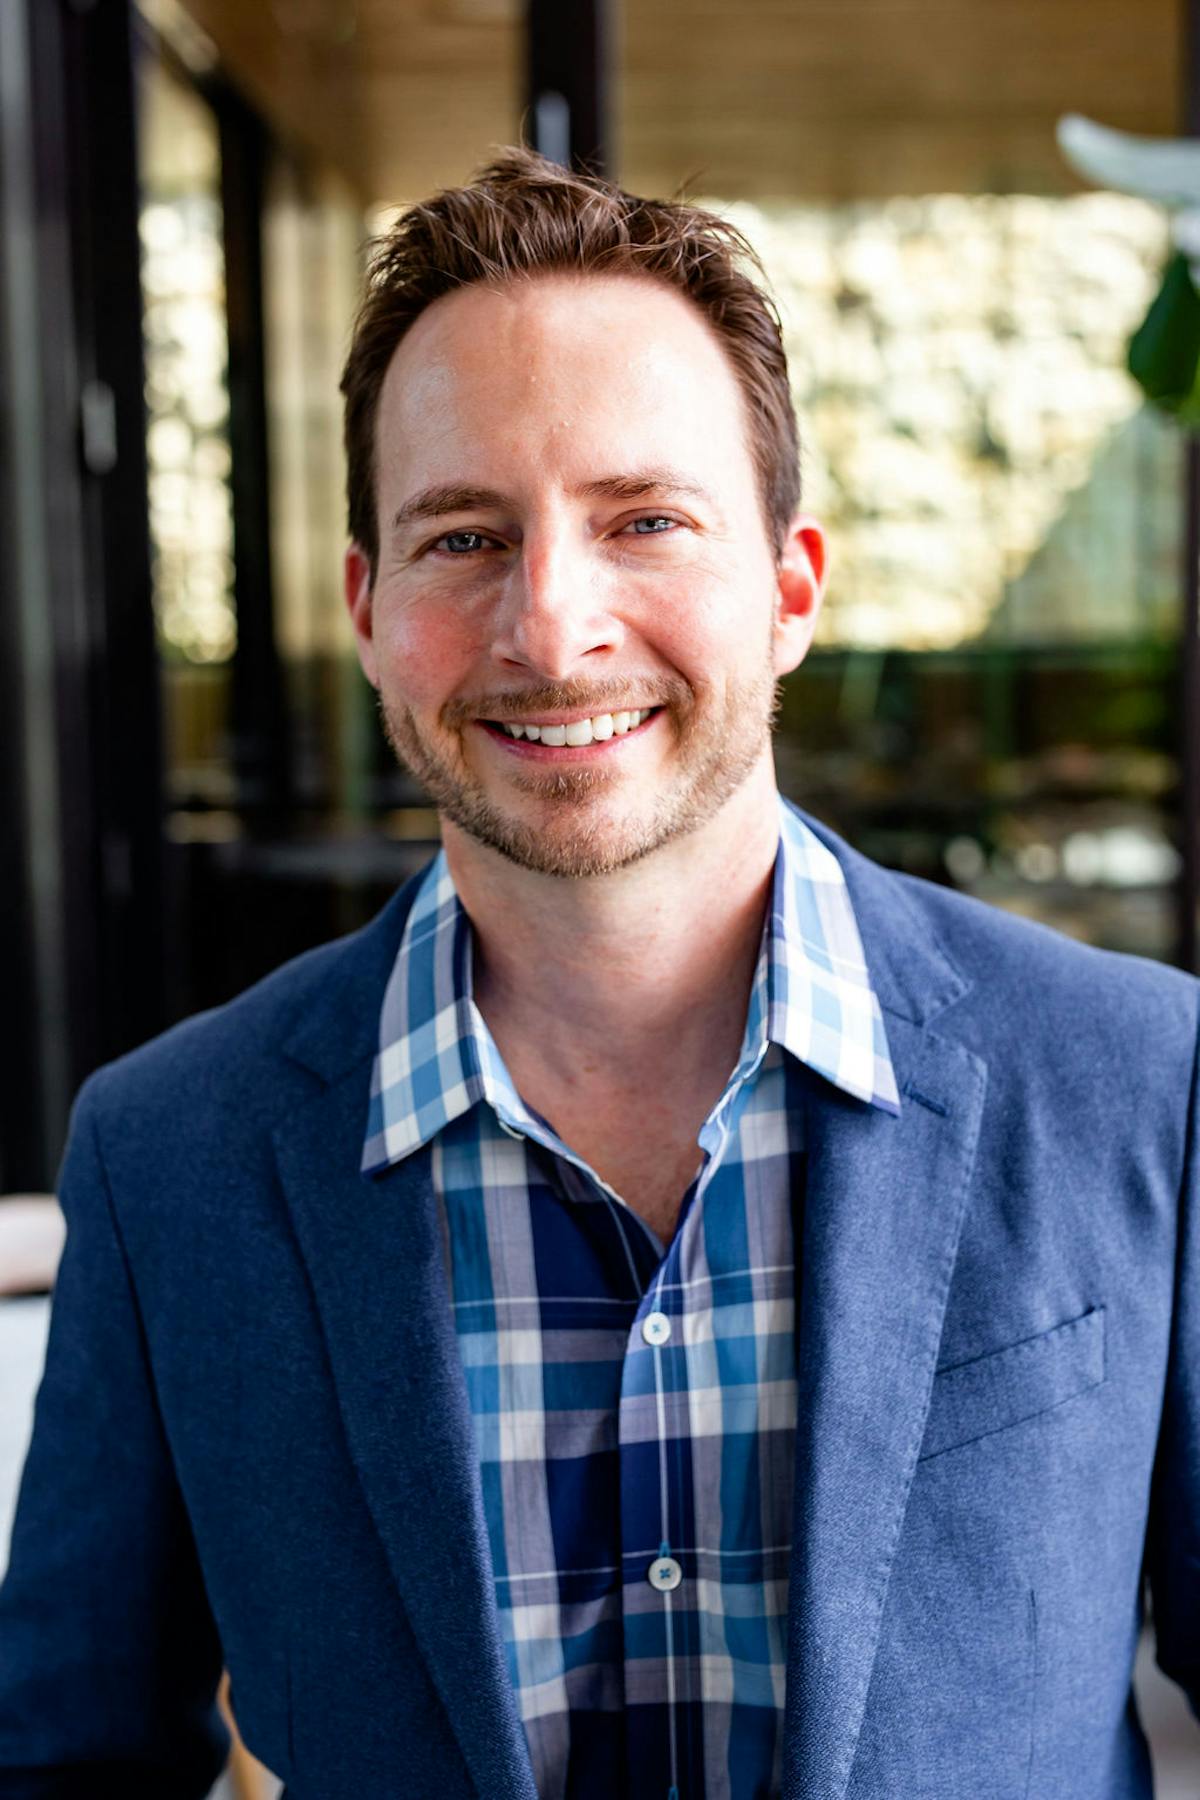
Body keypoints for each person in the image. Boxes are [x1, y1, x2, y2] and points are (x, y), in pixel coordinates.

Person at [0, 147, 1196, 1800]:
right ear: (365, 606)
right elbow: (64, 1760)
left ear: (789, 589)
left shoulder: (1142, 1081)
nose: (550, 631)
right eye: (462, 537)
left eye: (646, 519)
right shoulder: (171, 1158)